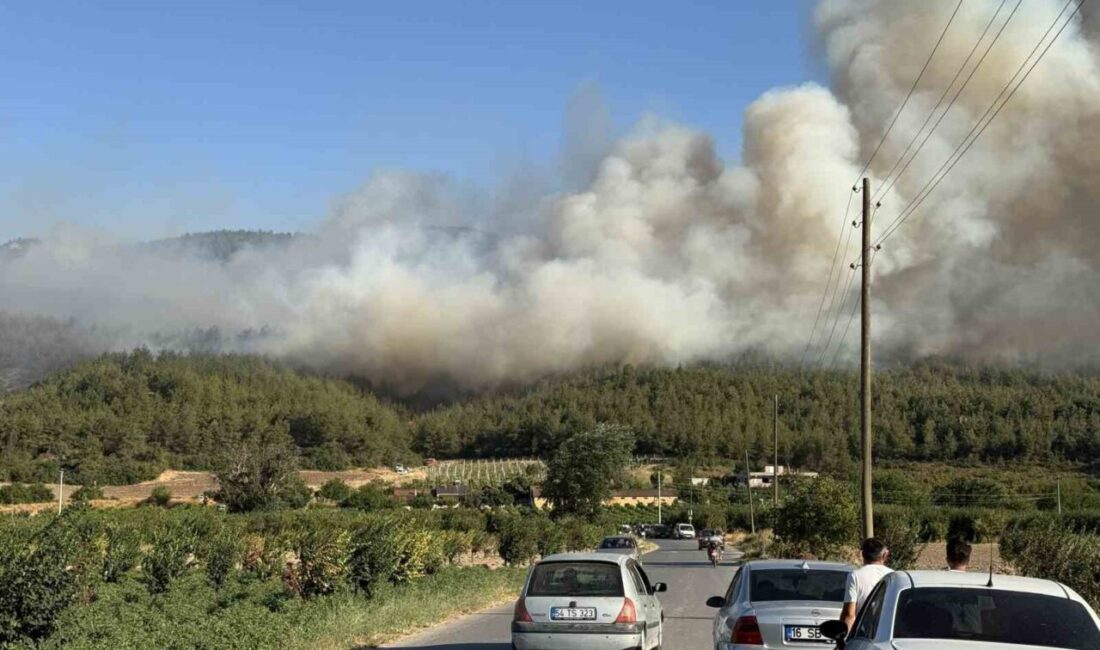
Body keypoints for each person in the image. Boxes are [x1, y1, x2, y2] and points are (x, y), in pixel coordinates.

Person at [840, 537, 893, 632]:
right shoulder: (893, 575)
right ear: (884, 555)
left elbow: (850, 614)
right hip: (887, 632)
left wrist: (842, 639)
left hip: (863, 634)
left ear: (862, 554)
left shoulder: (855, 575)